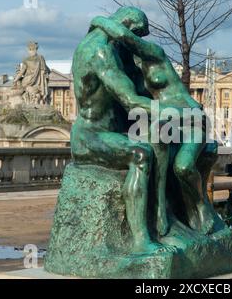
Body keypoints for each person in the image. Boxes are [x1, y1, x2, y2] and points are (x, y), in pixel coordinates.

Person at [90, 14, 221, 235]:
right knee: (155, 136)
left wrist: (98, 21)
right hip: (169, 120)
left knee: (183, 167)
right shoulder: (132, 71)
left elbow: (123, 34)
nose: (136, 40)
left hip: (191, 118)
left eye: (138, 34)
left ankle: (200, 205)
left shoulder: (155, 54)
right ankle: (160, 207)